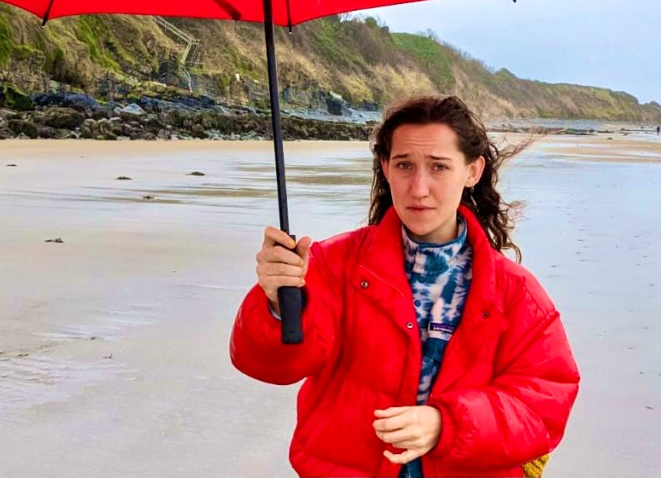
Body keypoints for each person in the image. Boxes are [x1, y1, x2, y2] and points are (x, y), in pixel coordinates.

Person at [230, 95, 579, 477]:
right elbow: (271, 366)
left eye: (439, 167)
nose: (418, 188)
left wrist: (447, 424)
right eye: (404, 165)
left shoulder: (516, 293)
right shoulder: (332, 264)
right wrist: (277, 302)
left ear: (472, 171)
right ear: (386, 167)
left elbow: (543, 405)